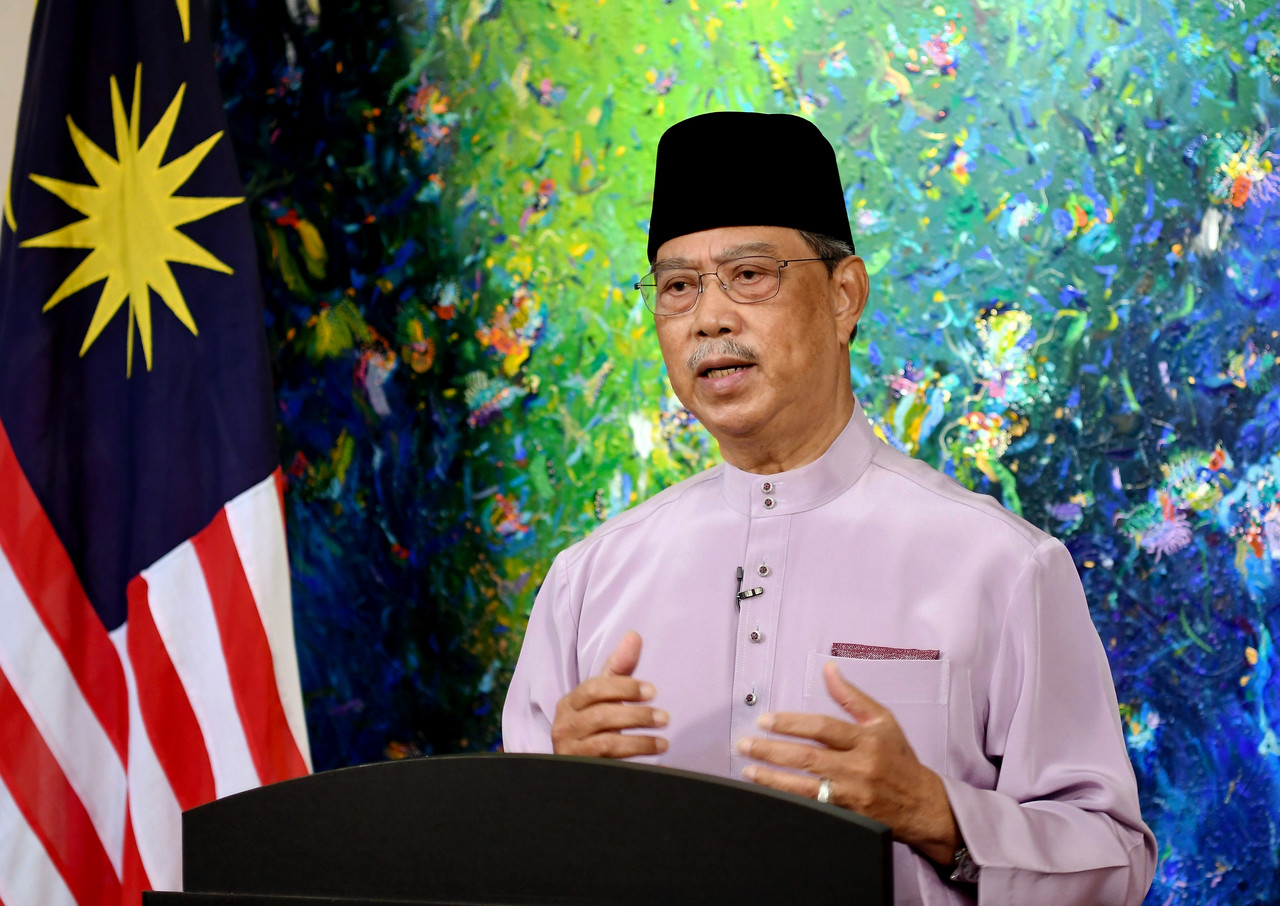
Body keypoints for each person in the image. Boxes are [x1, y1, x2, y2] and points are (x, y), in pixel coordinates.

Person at [502, 111, 1156, 905]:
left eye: (750, 276)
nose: (710, 318)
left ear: (845, 296)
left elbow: (1115, 862)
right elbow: (512, 872)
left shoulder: (1001, 565)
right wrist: (551, 802)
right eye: (678, 287)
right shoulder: (589, 581)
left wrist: (937, 814)